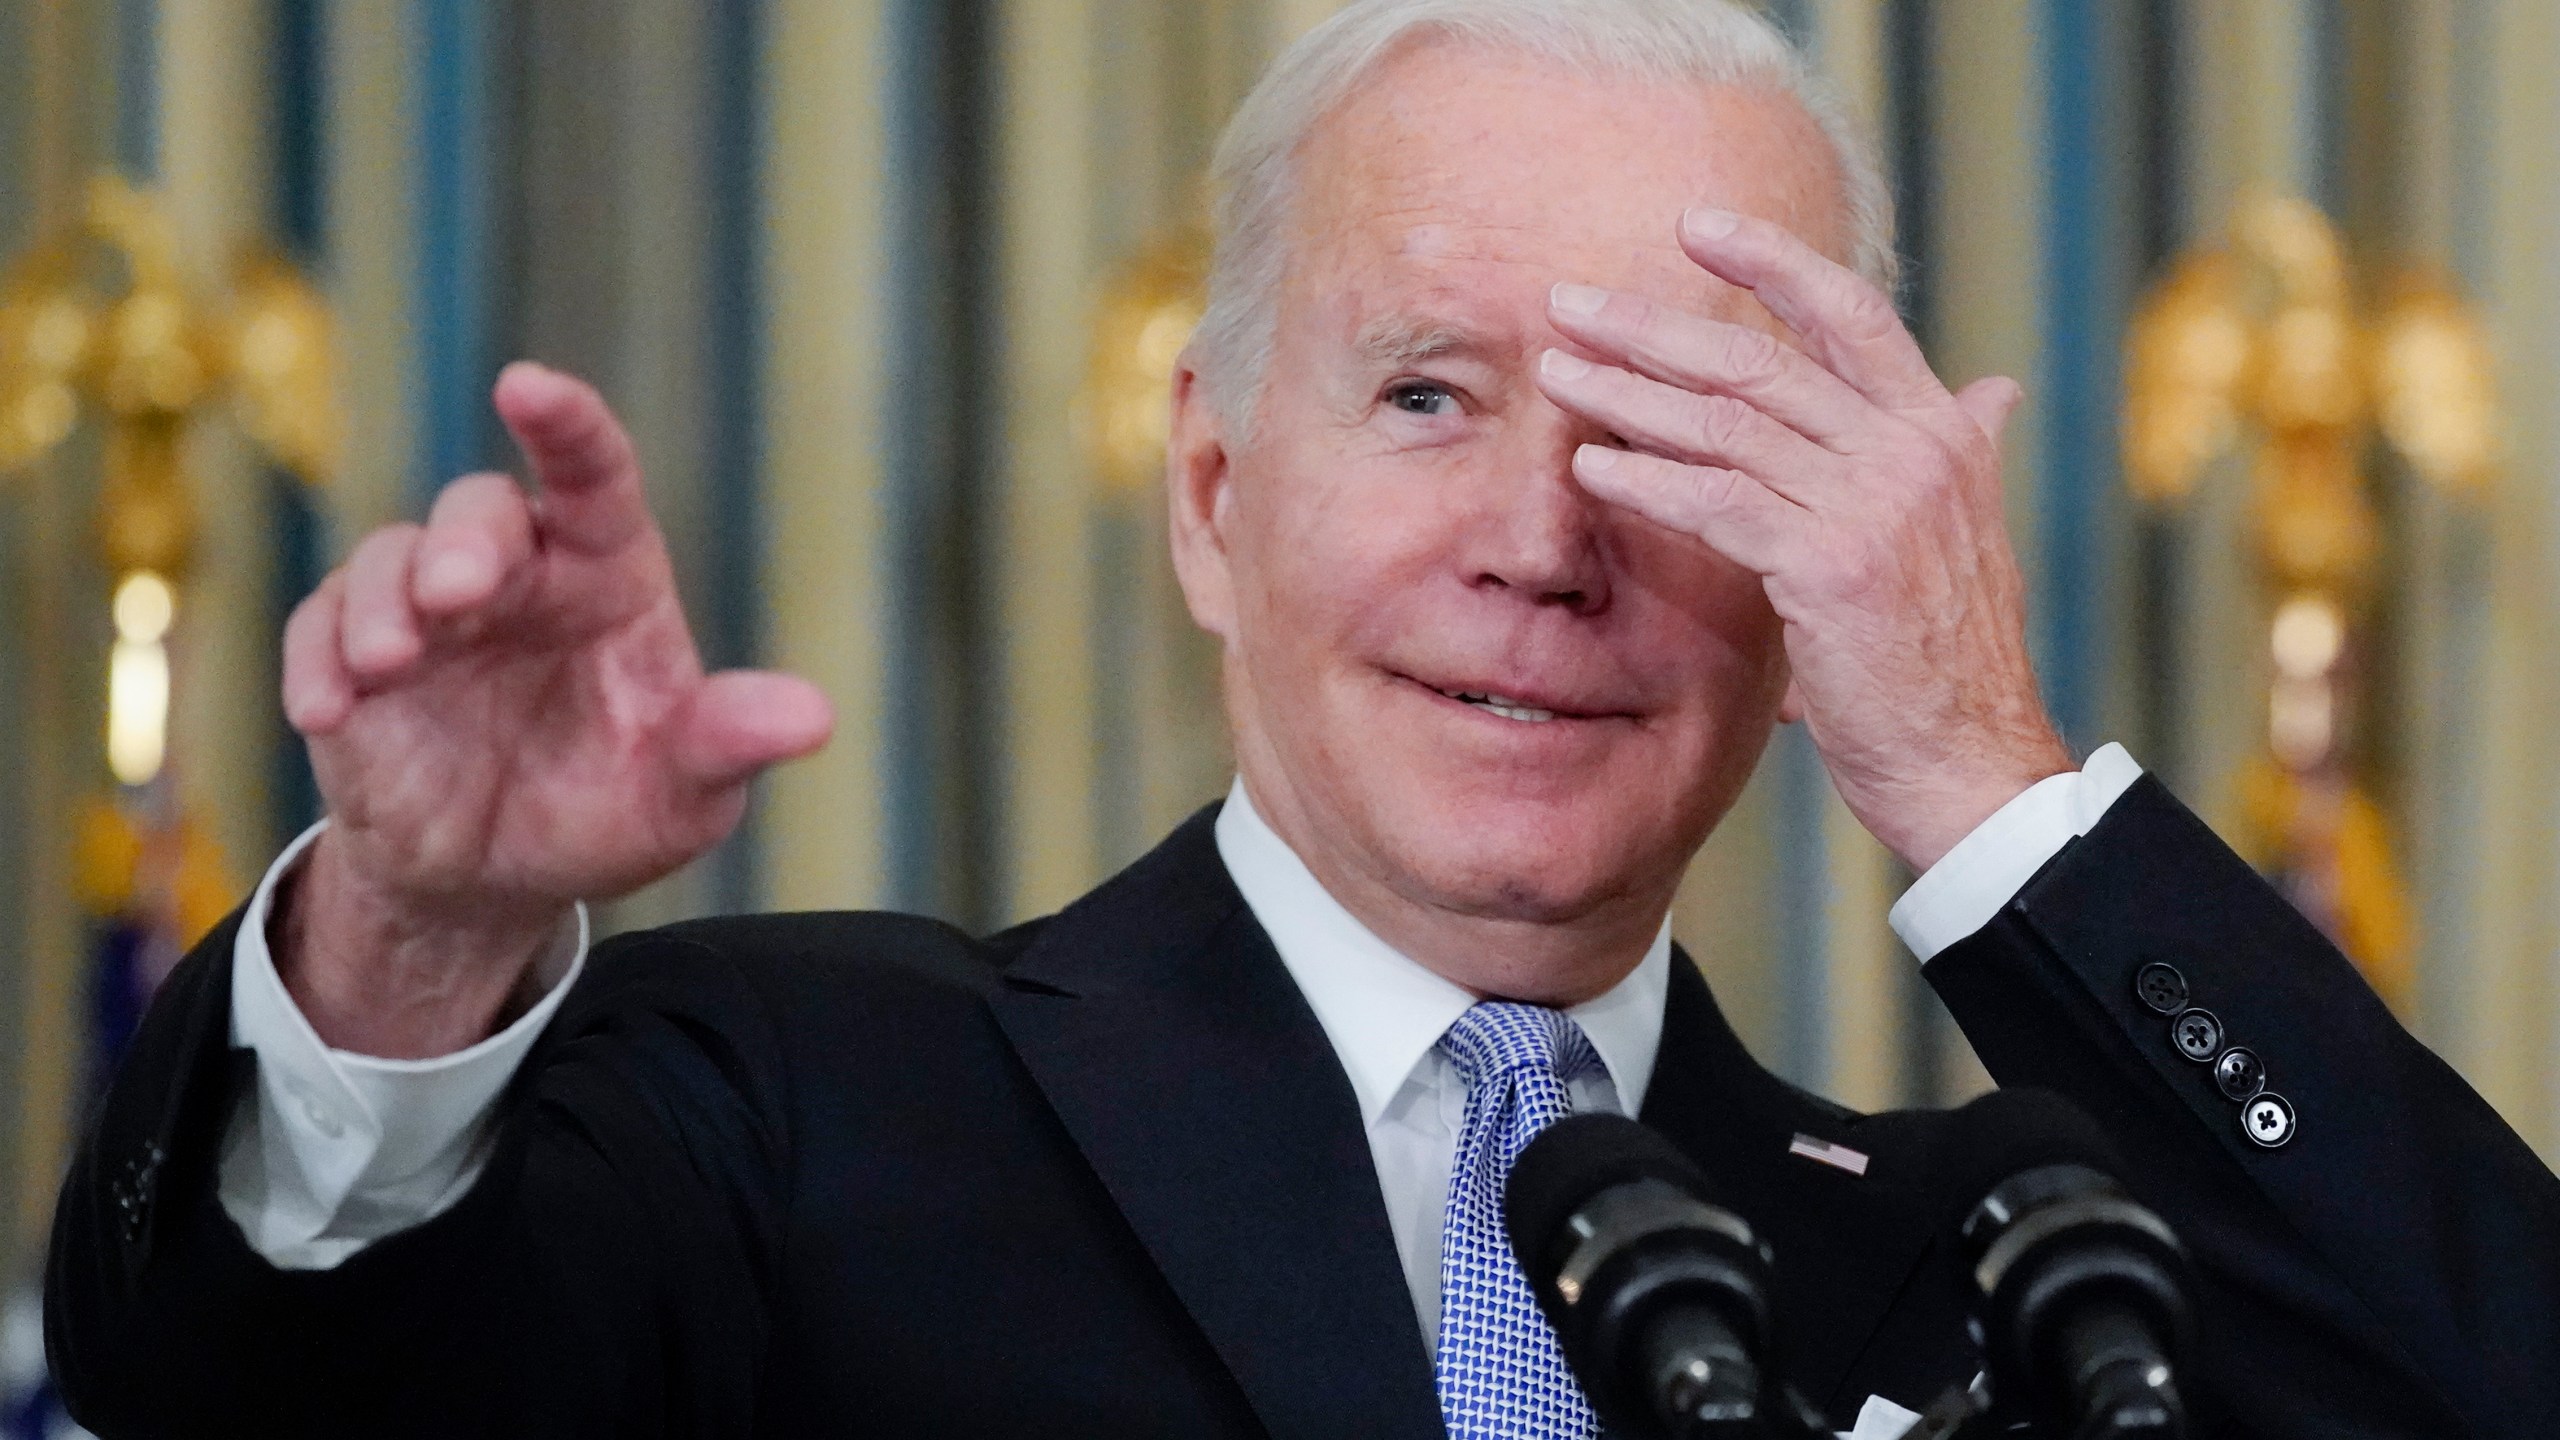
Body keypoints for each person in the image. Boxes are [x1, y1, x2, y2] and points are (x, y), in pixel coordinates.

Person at [46, 2, 2558, 1436]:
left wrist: (1983, 772)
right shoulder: (788, 1112)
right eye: (1434, 396)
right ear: (1212, 491)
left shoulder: (2006, 1262)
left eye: (1677, 434)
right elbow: (257, 1409)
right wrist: (400, 938)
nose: (1545, 540)